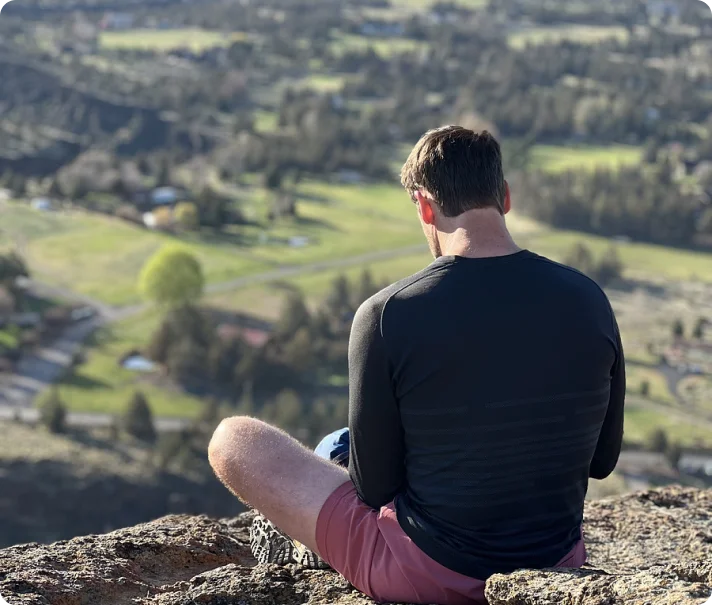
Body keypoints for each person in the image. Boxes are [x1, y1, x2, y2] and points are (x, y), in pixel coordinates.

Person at [208, 126, 625, 605]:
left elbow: (375, 487)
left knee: (238, 438)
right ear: (504, 197)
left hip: (427, 574)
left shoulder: (388, 313)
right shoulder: (588, 299)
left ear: (425, 205)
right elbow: (602, 460)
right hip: (557, 563)